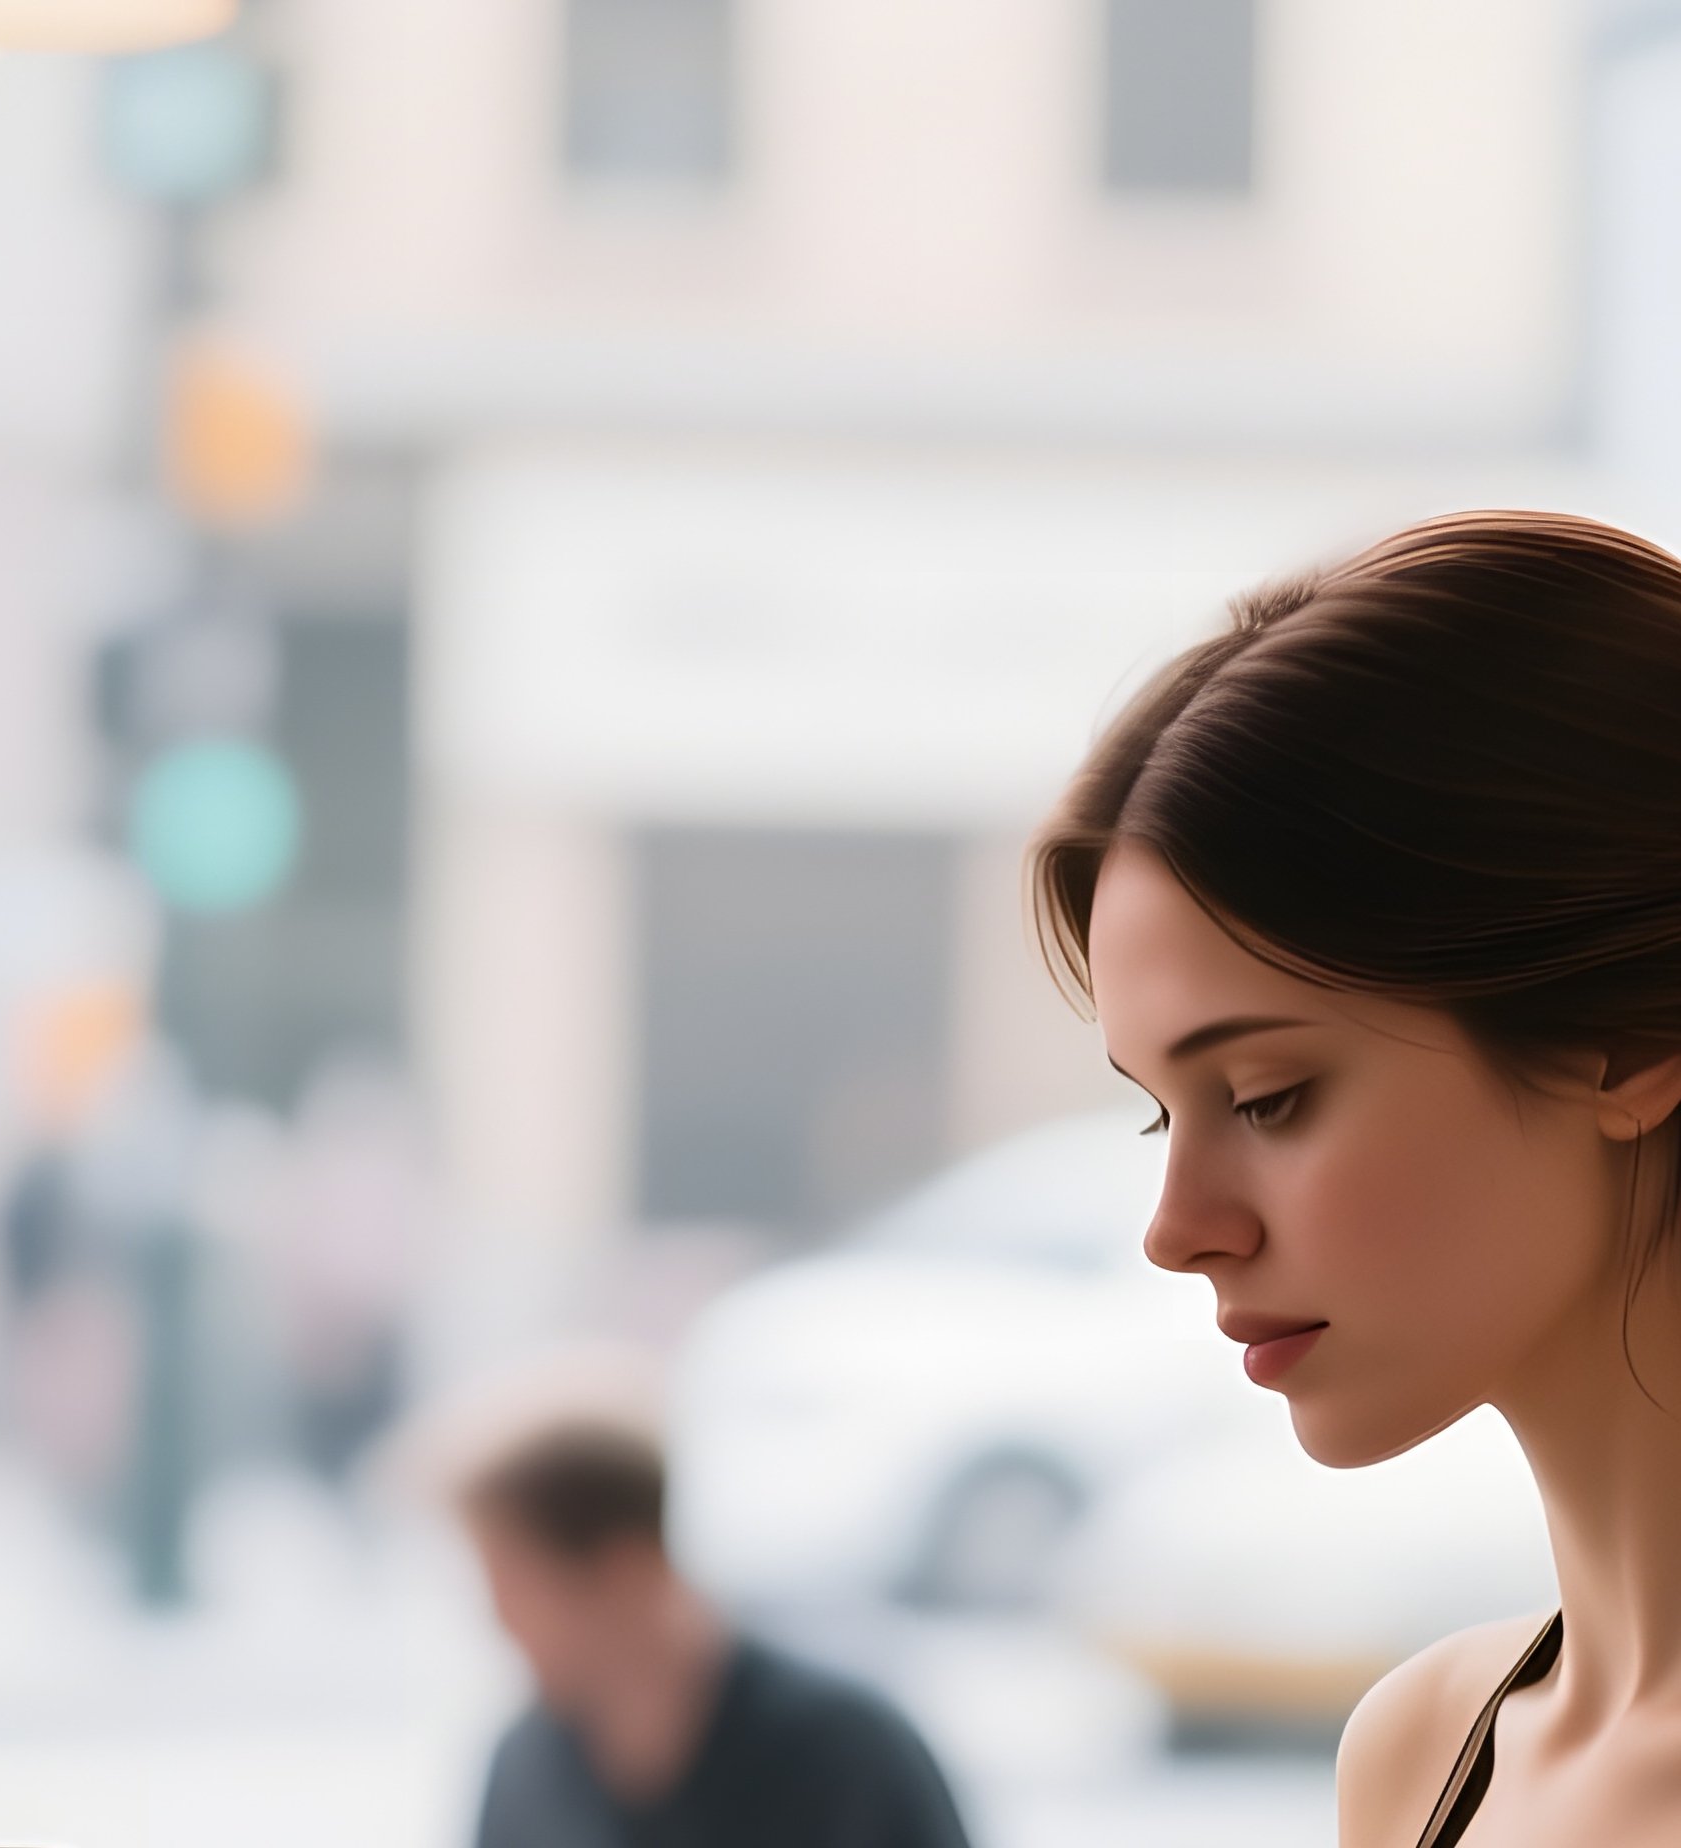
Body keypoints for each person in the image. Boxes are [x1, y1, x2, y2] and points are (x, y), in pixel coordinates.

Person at [1028, 509, 1681, 1846]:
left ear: (1630, 1039)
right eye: (1163, 1118)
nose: (1174, 1232)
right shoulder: (1420, 1753)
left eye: (1269, 1097)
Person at [442, 1365, 975, 1848]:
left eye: (514, 1585)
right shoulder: (527, 1767)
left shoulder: (852, 1756)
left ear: (623, 1571)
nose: (498, 1619)